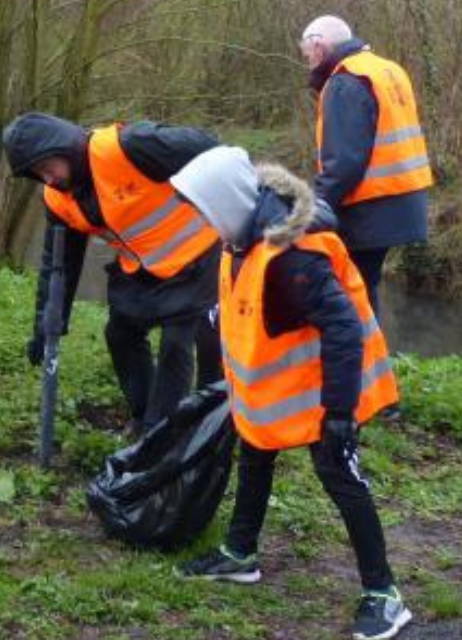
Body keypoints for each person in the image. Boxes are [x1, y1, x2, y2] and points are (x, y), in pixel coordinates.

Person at [170, 147, 411, 640]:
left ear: (229, 202)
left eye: (204, 208)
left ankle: (384, 595)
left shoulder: (291, 256)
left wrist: (339, 415)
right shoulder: (240, 240)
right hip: (277, 392)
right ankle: (241, 554)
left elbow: (344, 328)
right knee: (255, 453)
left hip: (329, 390)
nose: (201, 219)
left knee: (339, 474)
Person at [2, 113, 222, 434]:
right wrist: (46, 327)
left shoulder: (129, 146)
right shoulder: (60, 199)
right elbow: (59, 264)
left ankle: (161, 438)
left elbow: (211, 149)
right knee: (120, 334)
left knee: (176, 343)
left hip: (199, 257)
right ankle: (146, 417)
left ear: (62, 148)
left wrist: (234, 214)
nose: (48, 180)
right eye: (39, 175)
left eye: (48, 168)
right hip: (145, 268)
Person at [300, 15, 433, 315]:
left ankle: (362, 358)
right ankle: (370, 356)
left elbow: (344, 161)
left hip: (370, 206)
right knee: (364, 284)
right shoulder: (387, 69)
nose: (306, 59)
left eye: (305, 51)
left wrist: (313, 205)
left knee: (351, 289)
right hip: (404, 199)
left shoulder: (345, 81)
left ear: (318, 46)